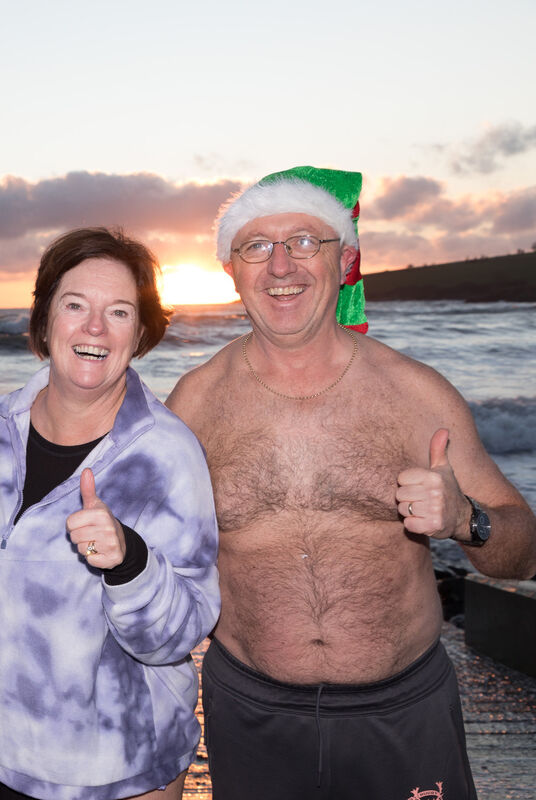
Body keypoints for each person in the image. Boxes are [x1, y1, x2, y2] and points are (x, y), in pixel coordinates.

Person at [166, 166, 536, 800]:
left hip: (405, 713)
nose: (281, 266)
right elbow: (149, 564)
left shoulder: (416, 395)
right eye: (257, 246)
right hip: (251, 714)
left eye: (306, 241)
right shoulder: (194, 405)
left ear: (348, 259)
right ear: (231, 269)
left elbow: (524, 552)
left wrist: (464, 519)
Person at [0, 227, 220, 800]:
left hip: (119, 772)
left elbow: (182, 633)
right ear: (46, 319)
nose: (94, 328)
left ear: (141, 332)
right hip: (2, 760)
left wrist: (130, 563)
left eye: (119, 312)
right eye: (75, 305)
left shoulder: (166, 455)